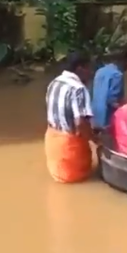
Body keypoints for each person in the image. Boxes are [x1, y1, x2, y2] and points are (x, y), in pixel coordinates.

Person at [44, 52, 98, 183]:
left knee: (60, 176)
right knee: (80, 179)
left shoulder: (54, 82)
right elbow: (80, 124)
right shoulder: (78, 89)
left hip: (52, 142)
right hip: (69, 148)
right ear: (80, 69)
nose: (91, 73)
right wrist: (96, 140)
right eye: (89, 68)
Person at [91, 49, 127, 130]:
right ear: (125, 60)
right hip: (107, 120)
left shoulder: (99, 71)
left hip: (94, 117)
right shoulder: (117, 74)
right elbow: (112, 101)